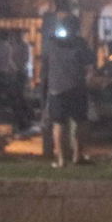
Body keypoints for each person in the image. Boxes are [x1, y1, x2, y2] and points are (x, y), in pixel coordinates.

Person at [42, 16, 94, 168]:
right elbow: (90, 60)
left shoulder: (51, 43)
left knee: (58, 124)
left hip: (56, 88)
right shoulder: (80, 43)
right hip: (76, 87)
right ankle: (77, 156)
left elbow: (46, 65)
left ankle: (61, 160)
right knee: (80, 122)